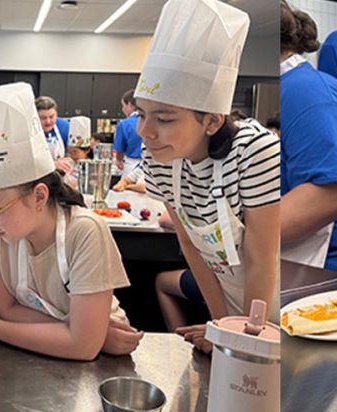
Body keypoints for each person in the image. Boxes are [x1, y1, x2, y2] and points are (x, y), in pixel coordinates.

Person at [139, 0, 280, 352]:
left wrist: (248, 339)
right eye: (142, 114)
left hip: (275, 311)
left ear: (212, 120)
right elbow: (191, 246)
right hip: (231, 307)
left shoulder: (255, 152)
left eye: (164, 118)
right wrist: (221, 328)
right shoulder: (158, 157)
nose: (146, 131)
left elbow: (261, 258)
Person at [0, 82, 142, 360]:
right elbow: (4, 306)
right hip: (30, 359)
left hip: (103, 366)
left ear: (38, 196)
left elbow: (83, 348)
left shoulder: (84, 232)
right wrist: (83, 332)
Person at [279, 0, 337, 275]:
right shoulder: (290, 86)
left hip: (326, 264)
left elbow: (332, 193)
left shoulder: (308, 92)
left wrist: (233, 233)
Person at [114, 89, 143, 176]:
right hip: (150, 167)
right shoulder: (151, 121)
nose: (123, 109)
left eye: (123, 106)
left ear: (129, 104)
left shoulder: (124, 124)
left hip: (131, 166)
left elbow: (119, 151)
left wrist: (118, 160)